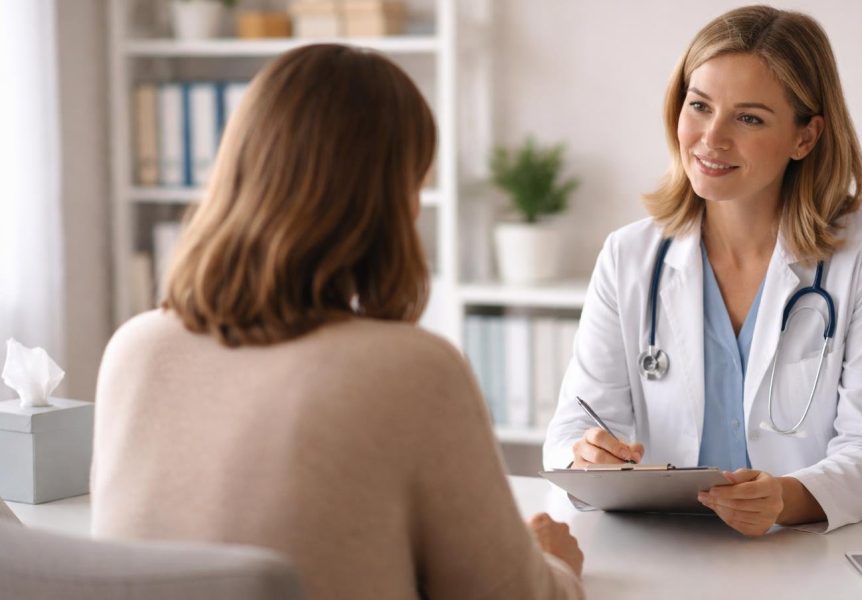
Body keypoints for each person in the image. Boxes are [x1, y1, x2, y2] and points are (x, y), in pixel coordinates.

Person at [92, 44, 584, 600]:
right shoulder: (410, 368)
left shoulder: (134, 349)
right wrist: (555, 565)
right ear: (384, 201)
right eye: (414, 183)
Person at [543, 5, 862, 535]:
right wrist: (586, 453)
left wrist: (785, 498)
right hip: (676, 547)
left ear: (806, 137)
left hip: (824, 549)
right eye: (699, 105)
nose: (711, 138)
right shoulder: (629, 256)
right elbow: (576, 421)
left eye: (748, 118)